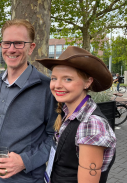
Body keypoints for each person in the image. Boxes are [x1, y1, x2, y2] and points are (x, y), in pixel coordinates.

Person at [0, 19, 57, 183]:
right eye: (7, 43)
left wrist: (25, 161)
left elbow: (55, 137)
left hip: (24, 179)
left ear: (31, 47)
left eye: (18, 43)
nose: (11, 49)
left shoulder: (47, 88)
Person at [36, 46, 116, 183]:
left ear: (88, 82)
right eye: (54, 78)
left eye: (68, 79)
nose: (57, 85)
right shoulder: (69, 113)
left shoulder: (90, 124)